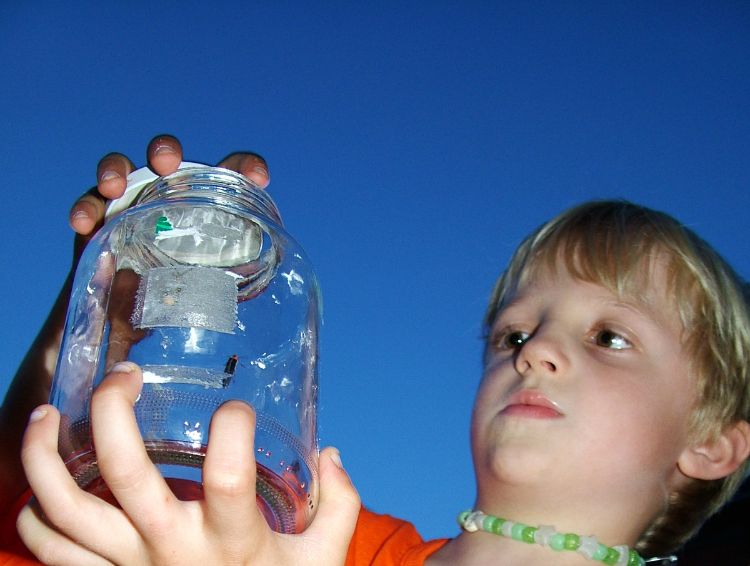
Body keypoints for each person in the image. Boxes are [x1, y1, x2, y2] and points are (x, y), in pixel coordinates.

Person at [1, 136, 749, 565]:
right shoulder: (295, 539)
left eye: (609, 338)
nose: (537, 352)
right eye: (513, 333)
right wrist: (94, 323)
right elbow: (24, 502)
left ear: (714, 444)